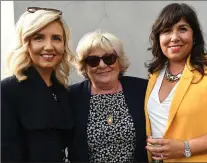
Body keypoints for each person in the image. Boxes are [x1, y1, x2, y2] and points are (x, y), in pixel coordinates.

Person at [144, 3, 207, 162]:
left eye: (182, 29)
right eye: (167, 31)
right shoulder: (155, 74)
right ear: (159, 38)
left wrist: (185, 148)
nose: (174, 37)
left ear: (194, 36)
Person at [1, 7, 75, 162]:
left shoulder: (63, 91)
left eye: (56, 38)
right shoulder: (7, 91)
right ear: (25, 43)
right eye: (39, 38)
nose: (49, 46)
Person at [68, 30, 148, 162]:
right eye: (93, 61)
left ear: (119, 61)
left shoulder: (142, 90)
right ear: (84, 66)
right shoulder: (72, 96)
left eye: (108, 58)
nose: (102, 65)